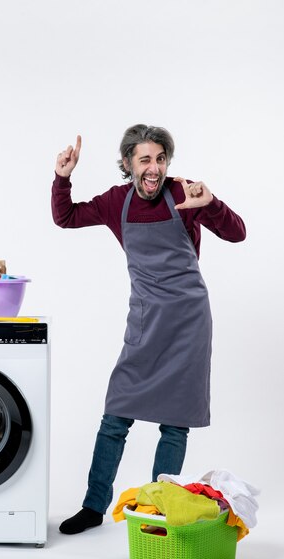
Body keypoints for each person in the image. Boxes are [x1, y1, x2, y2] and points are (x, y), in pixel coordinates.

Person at [51, 124, 246, 535]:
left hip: (189, 321)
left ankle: (159, 513)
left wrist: (210, 204)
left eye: (160, 159)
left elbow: (237, 233)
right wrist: (62, 178)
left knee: (175, 424)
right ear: (128, 164)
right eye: (145, 159)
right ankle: (93, 506)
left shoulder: (184, 194)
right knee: (115, 417)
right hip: (145, 319)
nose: (154, 167)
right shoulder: (115, 202)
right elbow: (65, 217)